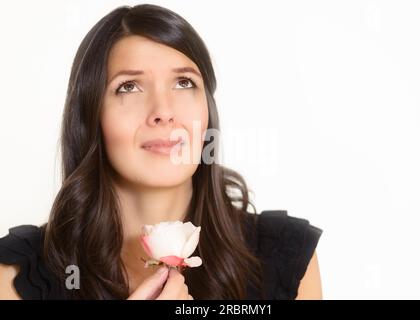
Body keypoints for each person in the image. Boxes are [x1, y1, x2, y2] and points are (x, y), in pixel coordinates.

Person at [0, 4, 323, 300]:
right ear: (90, 115)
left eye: (184, 83)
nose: (163, 111)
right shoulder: (19, 275)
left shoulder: (281, 257)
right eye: (129, 87)